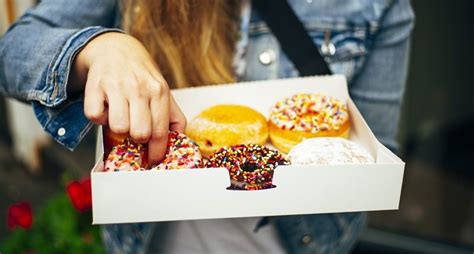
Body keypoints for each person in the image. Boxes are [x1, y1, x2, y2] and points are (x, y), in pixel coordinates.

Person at [0, 0, 414, 253]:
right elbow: (13, 52)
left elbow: (374, 153)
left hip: (308, 243)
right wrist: (98, 47)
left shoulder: (377, 5)